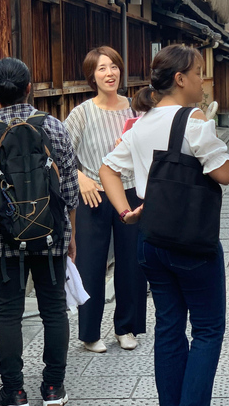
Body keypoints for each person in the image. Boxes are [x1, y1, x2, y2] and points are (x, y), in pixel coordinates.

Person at [99, 44, 229, 406]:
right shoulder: (193, 121)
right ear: (180, 79)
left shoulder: (140, 124)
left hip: (151, 239)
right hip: (192, 239)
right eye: (198, 72)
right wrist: (206, 123)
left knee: (169, 326)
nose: (203, 81)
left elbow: (107, 168)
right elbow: (224, 173)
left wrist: (127, 210)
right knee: (206, 329)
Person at [0, 58, 78, 406]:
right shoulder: (55, 128)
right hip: (50, 236)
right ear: (29, 88)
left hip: (4, 239)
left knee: (10, 313)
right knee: (54, 310)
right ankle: (53, 388)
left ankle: (13, 391)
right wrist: (70, 235)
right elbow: (70, 191)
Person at [63, 46, 147, 353]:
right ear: (92, 76)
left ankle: (126, 327)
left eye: (113, 66)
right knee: (90, 263)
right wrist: (80, 177)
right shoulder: (81, 113)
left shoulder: (136, 110)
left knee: (131, 262)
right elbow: (57, 155)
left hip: (129, 192)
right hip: (93, 194)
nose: (109, 73)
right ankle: (89, 333)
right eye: (101, 69)